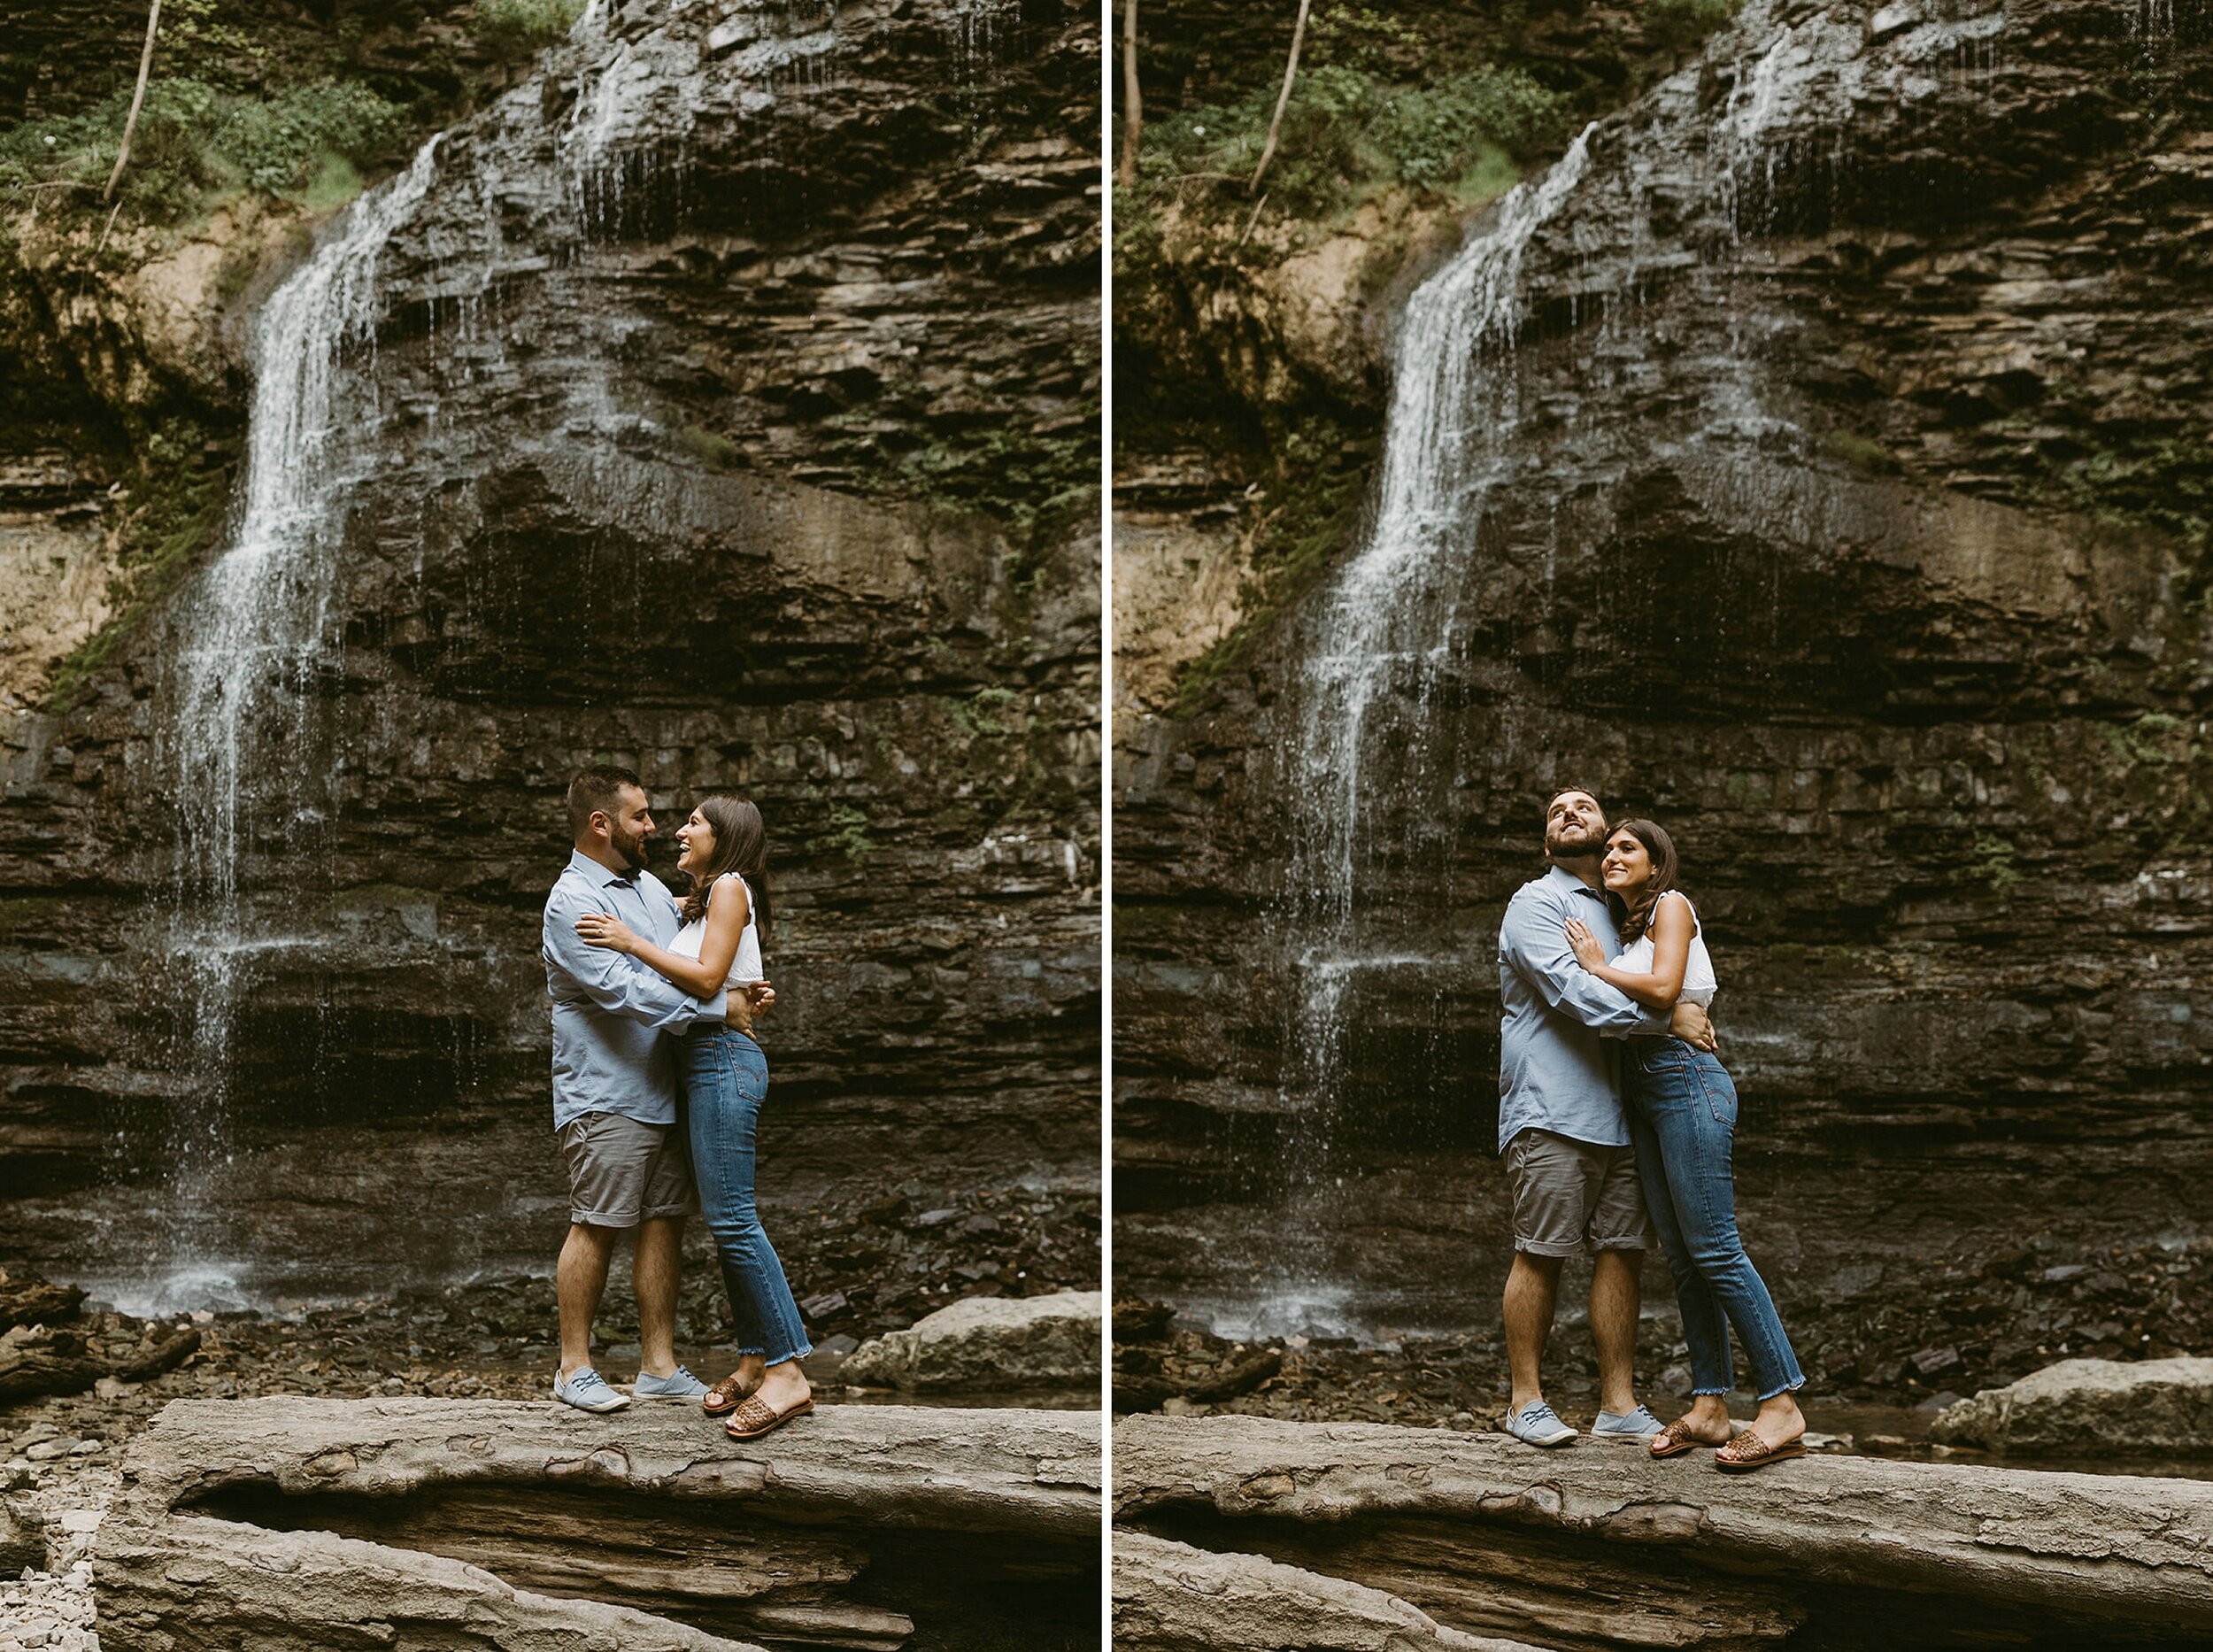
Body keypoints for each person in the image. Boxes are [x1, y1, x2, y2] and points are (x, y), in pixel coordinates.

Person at [1565, 818, 1806, 1471]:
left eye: (1627, 848)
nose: (1611, 855)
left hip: (1684, 1078)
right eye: (1607, 848)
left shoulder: (1672, 906)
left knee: (1716, 1247)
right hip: (1641, 1089)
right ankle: (1709, 1406)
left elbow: (1668, 989)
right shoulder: (1623, 929)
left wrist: (1595, 967)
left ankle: (1782, 1405)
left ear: (1655, 862)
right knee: (1683, 1255)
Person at [576, 794, 814, 1441]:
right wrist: (743, 984)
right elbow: (723, 975)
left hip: (720, 1061)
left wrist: (627, 940)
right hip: (701, 1061)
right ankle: (753, 1359)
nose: (679, 831)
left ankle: (790, 1373)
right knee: (726, 1218)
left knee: (735, 1219)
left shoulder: (731, 886)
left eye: (694, 824)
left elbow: (707, 980)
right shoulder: (705, 900)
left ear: (726, 836)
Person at [540, 767, 767, 1413]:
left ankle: (658, 1366)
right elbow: (627, 990)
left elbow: (697, 959)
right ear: (601, 823)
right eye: (641, 815)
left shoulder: (647, 890)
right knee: (597, 1223)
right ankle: (573, 1367)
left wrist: (741, 984)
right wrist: (720, 1008)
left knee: (665, 1220)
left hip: (668, 1086)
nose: (655, 826)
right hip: (606, 1091)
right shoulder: (572, 903)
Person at [1495, 786, 1716, 1449]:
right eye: (1557, 809)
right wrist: (1666, 1015)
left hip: (1623, 1114)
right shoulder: (1536, 903)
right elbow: (1573, 991)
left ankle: (1618, 1403)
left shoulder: (1628, 913)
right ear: (1546, 843)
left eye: (1585, 807)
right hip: (1553, 1107)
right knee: (1541, 1251)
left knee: (1623, 1252)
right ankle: (1525, 1401)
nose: (1570, 812)